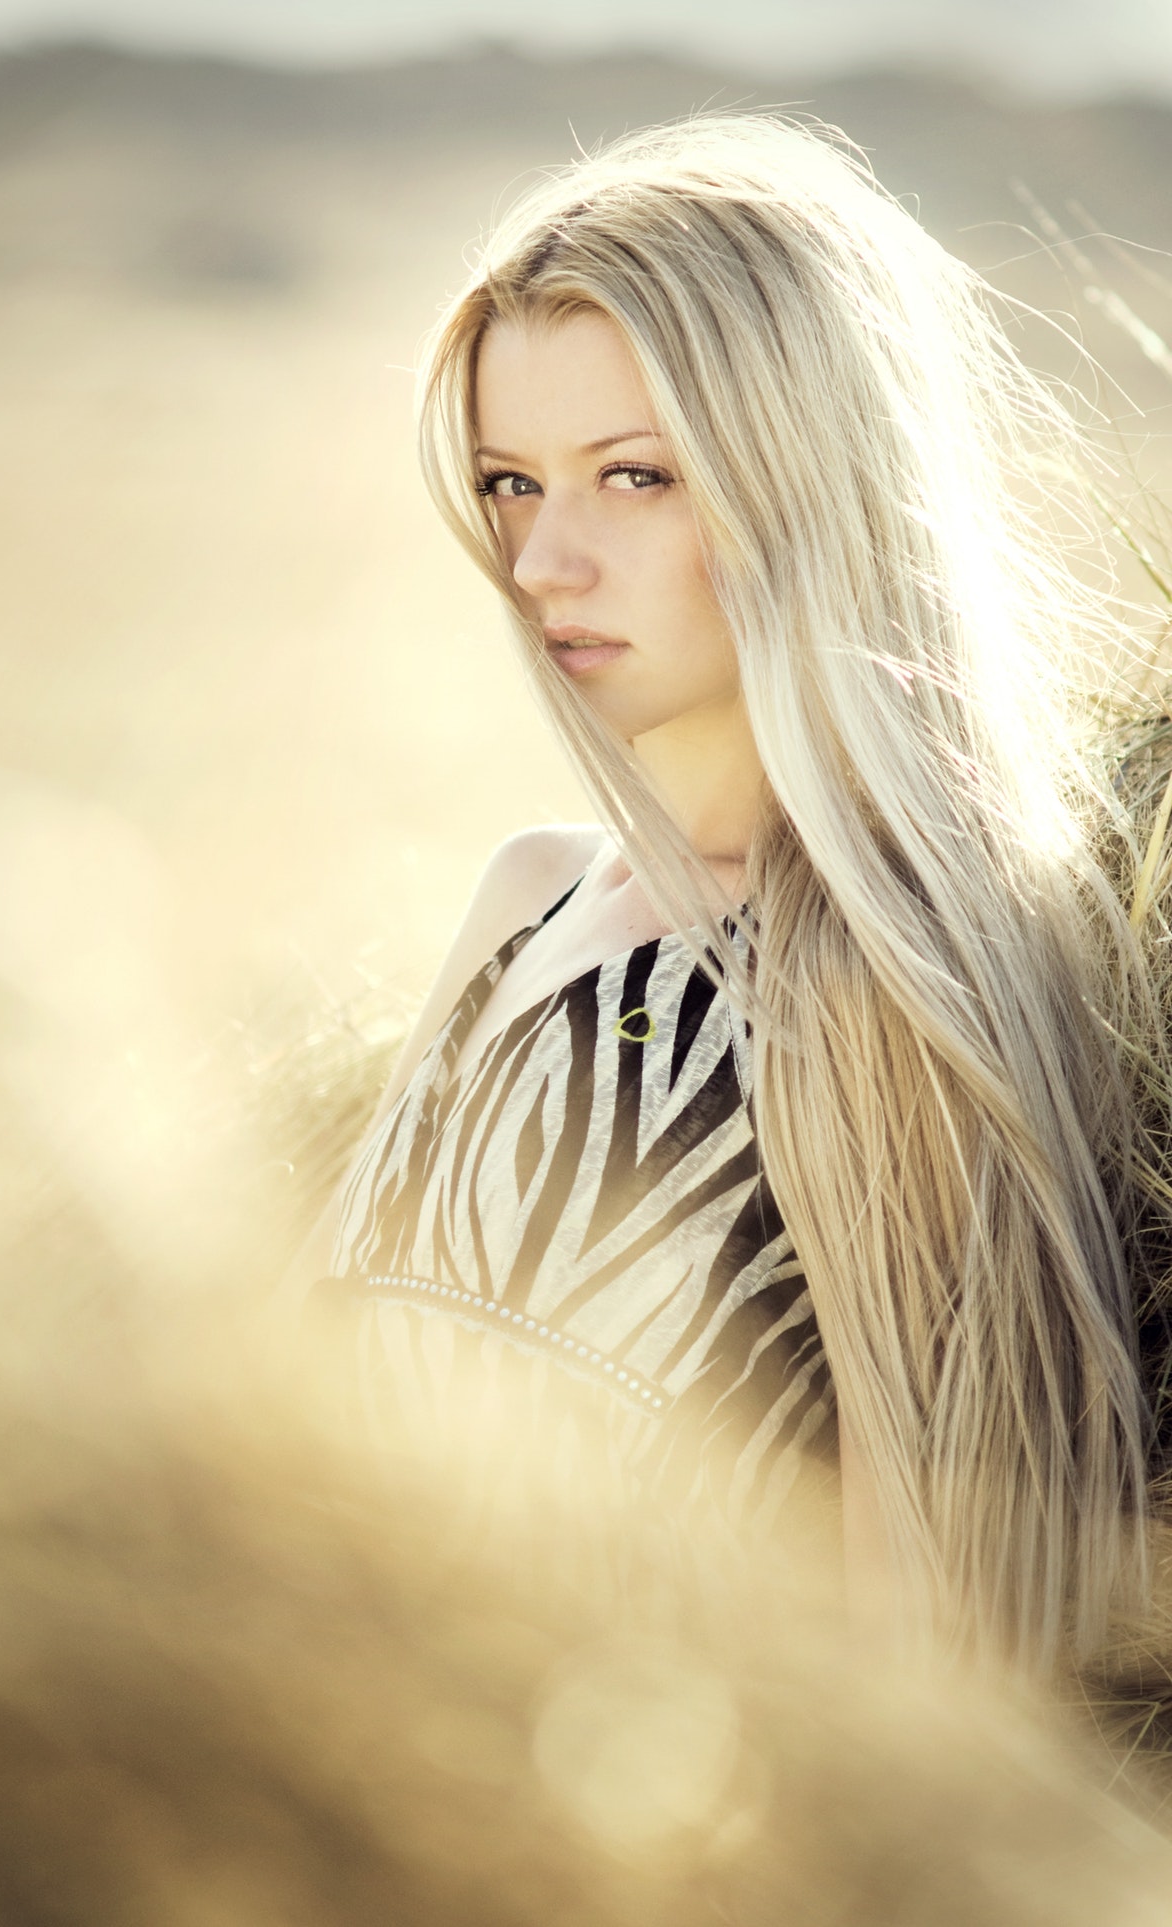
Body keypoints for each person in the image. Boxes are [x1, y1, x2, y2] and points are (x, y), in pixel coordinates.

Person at [295, 114, 1172, 1675]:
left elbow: (927, 1652)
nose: (543, 560)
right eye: (510, 482)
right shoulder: (526, 901)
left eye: (634, 477)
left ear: (806, 479)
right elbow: (293, 1416)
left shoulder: (892, 983)